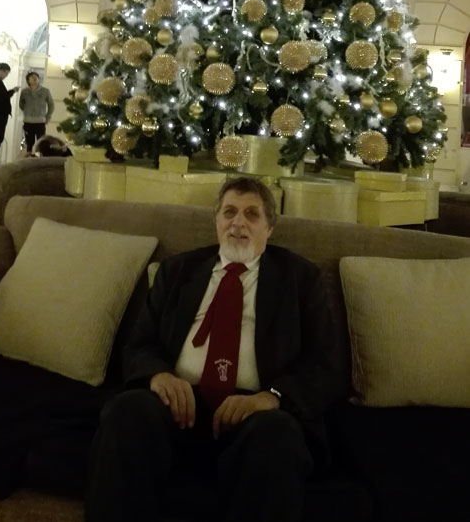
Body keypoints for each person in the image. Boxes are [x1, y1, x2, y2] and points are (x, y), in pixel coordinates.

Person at [85, 176, 341, 522]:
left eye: (252, 214)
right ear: (217, 221)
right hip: (177, 408)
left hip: (255, 415)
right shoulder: (177, 271)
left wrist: (271, 397)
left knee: (277, 436)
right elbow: (138, 344)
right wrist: (158, 375)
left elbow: (324, 363)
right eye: (229, 212)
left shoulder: (300, 279)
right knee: (126, 411)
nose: (238, 222)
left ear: (269, 228)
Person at [19, 71, 55, 152]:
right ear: (28, 80)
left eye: (36, 77)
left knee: (41, 143)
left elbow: (51, 104)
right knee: (29, 143)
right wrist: (28, 111)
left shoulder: (45, 91)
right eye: (32, 77)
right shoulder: (24, 92)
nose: (35, 78)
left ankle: (40, 158)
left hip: (40, 121)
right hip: (28, 121)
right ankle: (29, 157)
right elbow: (21, 104)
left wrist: (48, 116)